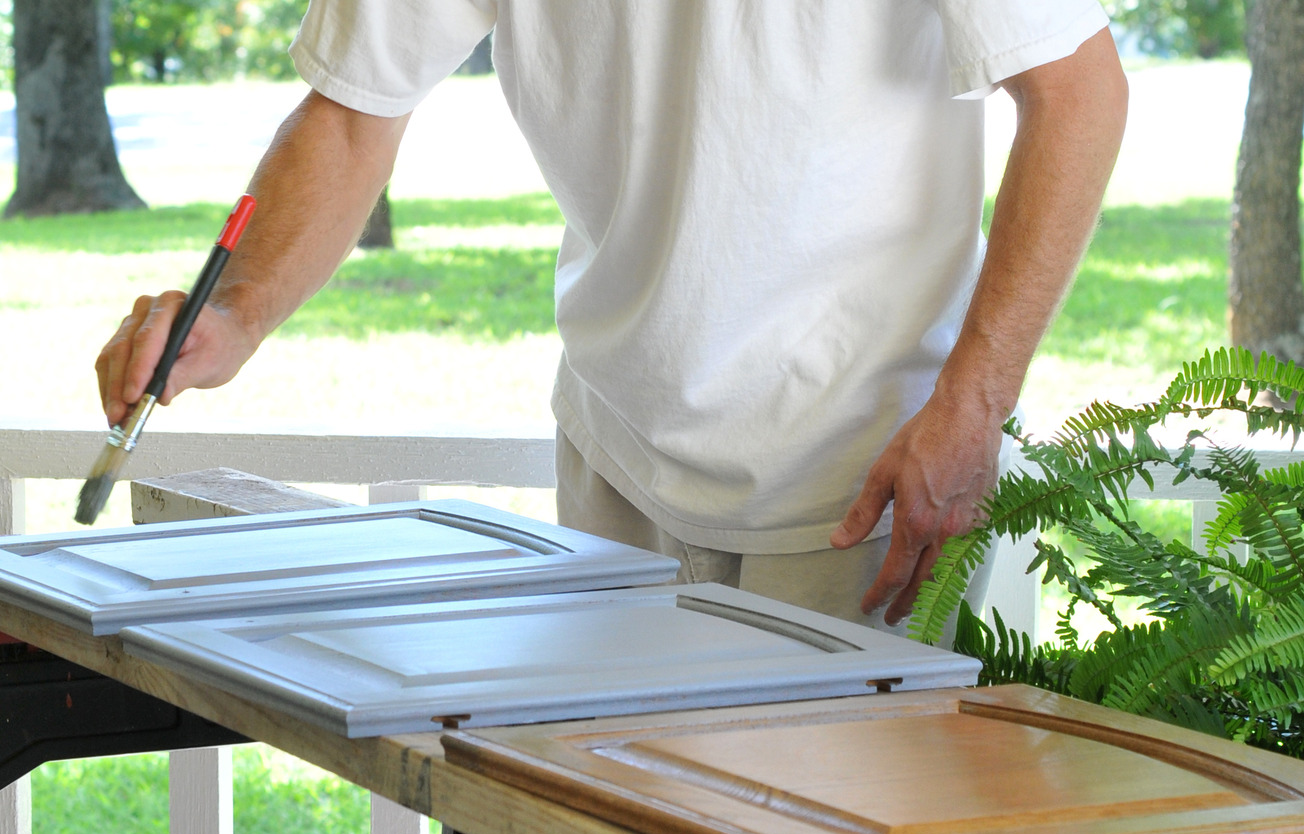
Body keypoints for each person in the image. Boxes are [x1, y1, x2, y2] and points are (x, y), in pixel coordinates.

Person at [95, 2, 1128, 634]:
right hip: (617, 460)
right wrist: (233, 313)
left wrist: (975, 403)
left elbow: (1077, 92)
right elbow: (353, 111)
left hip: (873, 482)